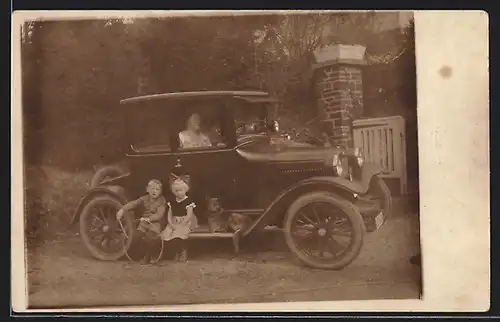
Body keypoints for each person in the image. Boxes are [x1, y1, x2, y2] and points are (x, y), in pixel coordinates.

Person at [116, 179, 166, 264]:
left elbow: (159, 214)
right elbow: (133, 203)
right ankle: (139, 255)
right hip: (143, 225)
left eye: (157, 189)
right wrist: (122, 210)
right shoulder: (144, 198)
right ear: (147, 189)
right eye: (152, 189)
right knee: (135, 237)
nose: (154, 191)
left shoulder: (161, 201)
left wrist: (149, 219)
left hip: (155, 225)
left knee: (149, 238)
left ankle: (152, 256)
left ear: (160, 191)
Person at [160, 176, 198, 262]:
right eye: (176, 191)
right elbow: (169, 214)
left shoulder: (188, 201)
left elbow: (189, 215)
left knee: (179, 234)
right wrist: (170, 223)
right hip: (174, 221)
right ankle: (177, 252)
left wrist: (182, 224)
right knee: (168, 233)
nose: (178, 193)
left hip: (186, 221)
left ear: (185, 190)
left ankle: (183, 251)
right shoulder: (172, 201)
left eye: (180, 190)